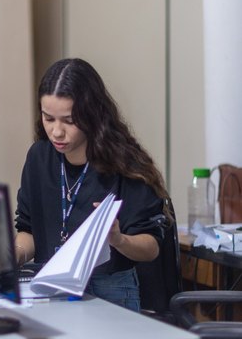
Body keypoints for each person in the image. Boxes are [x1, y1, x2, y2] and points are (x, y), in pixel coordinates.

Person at [14, 58, 172, 311]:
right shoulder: (39, 158)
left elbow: (151, 248)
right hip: (52, 285)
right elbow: (28, 229)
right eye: (48, 118)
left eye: (69, 120)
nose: (56, 132)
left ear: (92, 114)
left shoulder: (125, 164)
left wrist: (118, 239)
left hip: (111, 288)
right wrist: (16, 253)